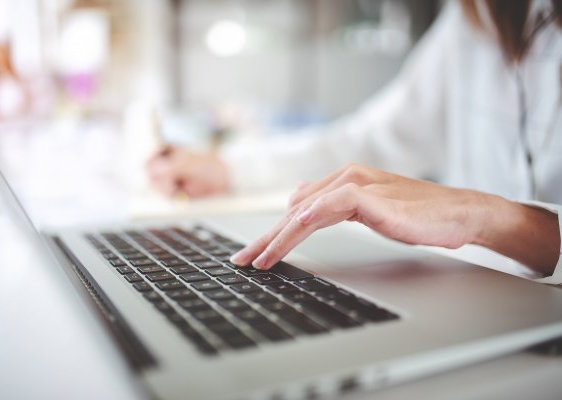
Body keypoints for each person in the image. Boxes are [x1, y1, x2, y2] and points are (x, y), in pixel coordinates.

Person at [148, 0, 562, 284]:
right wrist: (231, 168)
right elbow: (378, 141)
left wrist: (483, 215)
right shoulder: (477, 17)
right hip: (472, 294)